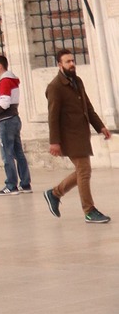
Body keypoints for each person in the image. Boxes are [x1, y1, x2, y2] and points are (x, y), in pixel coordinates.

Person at [43, 48, 112, 223]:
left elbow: (87, 107)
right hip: (69, 136)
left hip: (81, 134)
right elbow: (52, 116)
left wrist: (100, 127)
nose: (72, 64)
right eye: (68, 62)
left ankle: (54, 193)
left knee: (83, 171)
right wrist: (54, 142)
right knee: (84, 171)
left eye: (73, 61)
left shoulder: (77, 81)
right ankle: (89, 210)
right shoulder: (55, 87)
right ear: (60, 65)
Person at [0, 55, 31, 194]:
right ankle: (25, 184)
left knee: (7, 153)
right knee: (18, 152)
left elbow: (4, 102)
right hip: (14, 119)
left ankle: (11, 185)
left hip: (7, 121)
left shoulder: (5, 81)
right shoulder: (12, 80)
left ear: (0, 66)